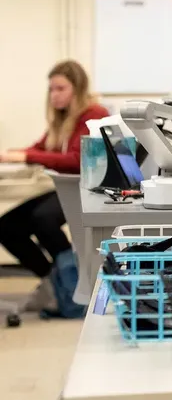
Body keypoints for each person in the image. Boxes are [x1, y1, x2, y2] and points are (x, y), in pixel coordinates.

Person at [0, 60, 108, 279]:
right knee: (6, 227)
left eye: (60, 88)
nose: (54, 95)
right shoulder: (63, 119)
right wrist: (11, 155)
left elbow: (76, 160)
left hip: (89, 189)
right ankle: (53, 280)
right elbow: (42, 147)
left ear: (77, 89)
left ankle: (76, 278)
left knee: (44, 219)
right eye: (51, 89)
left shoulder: (94, 114)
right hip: (67, 186)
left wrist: (26, 156)